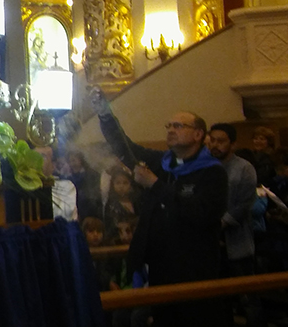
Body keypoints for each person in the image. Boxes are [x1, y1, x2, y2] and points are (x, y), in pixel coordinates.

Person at [92, 88, 228, 327]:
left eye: (179, 126)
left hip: (194, 265)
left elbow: (202, 213)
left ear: (198, 134)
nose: (171, 130)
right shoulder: (162, 162)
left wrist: (155, 185)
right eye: (169, 126)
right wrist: (105, 114)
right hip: (160, 264)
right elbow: (125, 147)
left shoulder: (212, 172)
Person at [208, 123, 263, 327]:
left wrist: (221, 223)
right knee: (219, 298)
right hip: (212, 245)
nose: (215, 145)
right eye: (212, 140)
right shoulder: (206, 167)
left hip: (237, 242)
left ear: (233, 144)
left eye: (221, 141)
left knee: (248, 297)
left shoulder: (244, 168)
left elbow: (244, 203)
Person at [67, 149, 103, 220]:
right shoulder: (69, 177)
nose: (71, 164)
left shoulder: (92, 174)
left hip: (90, 209)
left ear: (80, 160)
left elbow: (94, 194)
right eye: (70, 161)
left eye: (73, 160)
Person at [103, 165, 139, 231]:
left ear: (130, 185)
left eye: (125, 183)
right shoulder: (111, 205)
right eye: (118, 183)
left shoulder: (137, 203)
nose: (121, 186)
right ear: (113, 185)